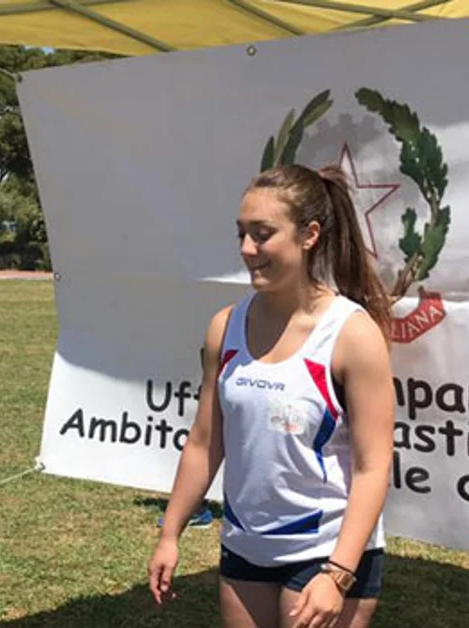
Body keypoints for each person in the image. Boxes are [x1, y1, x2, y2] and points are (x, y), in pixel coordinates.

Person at [148, 164, 395, 628]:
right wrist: (170, 533)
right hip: (246, 544)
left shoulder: (351, 334)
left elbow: (373, 465)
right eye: (241, 234)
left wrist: (339, 573)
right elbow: (205, 441)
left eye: (262, 234)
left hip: (327, 551)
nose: (247, 249)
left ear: (310, 235)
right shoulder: (225, 327)